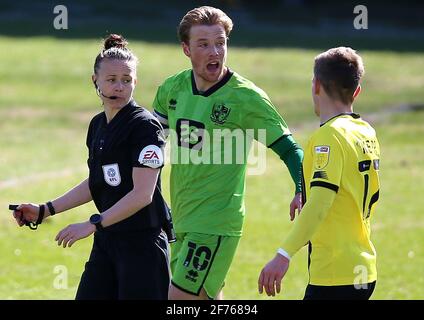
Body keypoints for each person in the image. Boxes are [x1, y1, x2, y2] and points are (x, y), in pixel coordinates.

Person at [152, 6, 303, 300]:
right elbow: (150, 148)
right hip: (180, 219)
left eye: (220, 43)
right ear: (186, 49)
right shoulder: (172, 89)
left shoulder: (246, 97)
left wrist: (301, 186)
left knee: (177, 301)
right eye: (204, 44)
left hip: (215, 224)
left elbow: (289, 148)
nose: (215, 52)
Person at [11, 34, 171, 300]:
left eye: (127, 80)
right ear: (94, 81)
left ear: (135, 82)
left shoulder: (145, 127)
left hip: (142, 248)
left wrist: (93, 223)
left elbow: (143, 195)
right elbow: (98, 182)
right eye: (111, 80)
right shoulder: (98, 125)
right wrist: (45, 210)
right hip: (108, 242)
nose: (119, 87)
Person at [258, 47, 381, 300]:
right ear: (356, 91)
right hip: (363, 267)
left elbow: (321, 204)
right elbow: (343, 190)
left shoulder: (328, 136)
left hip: (336, 273)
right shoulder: (365, 132)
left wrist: (283, 255)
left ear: (316, 86)